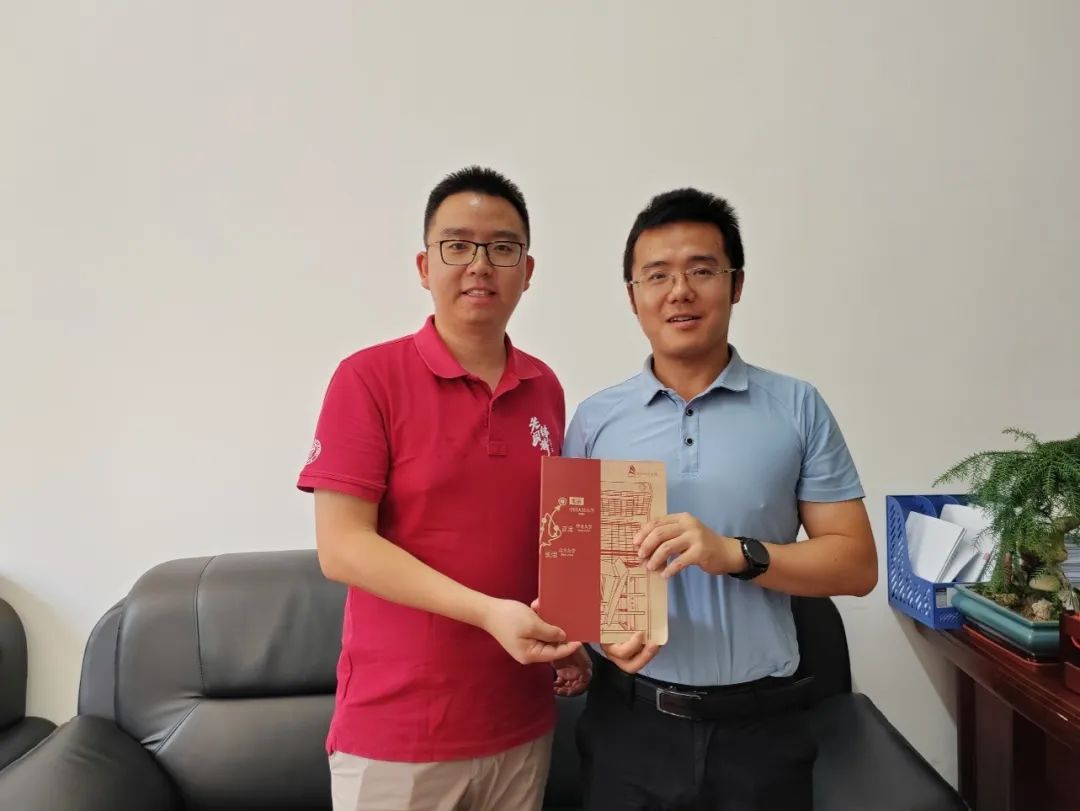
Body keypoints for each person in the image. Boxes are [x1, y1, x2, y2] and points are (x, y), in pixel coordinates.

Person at [563, 187, 877, 811]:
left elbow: (857, 565)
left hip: (762, 731)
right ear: (633, 296)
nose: (679, 291)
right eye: (657, 275)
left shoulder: (797, 407)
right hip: (629, 723)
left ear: (736, 285)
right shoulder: (595, 419)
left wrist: (735, 553)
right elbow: (577, 577)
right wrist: (597, 638)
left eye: (701, 270)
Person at [298, 166, 591, 811]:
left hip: (520, 722)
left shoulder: (545, 387)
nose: (479, 265)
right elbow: (342, 548)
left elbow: (547, 532)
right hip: (399, 733)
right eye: (457, 245)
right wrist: (488, 613)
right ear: (424, 266)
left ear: (527, 271)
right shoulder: (367, 378)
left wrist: (570, 633)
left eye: (502, 248)